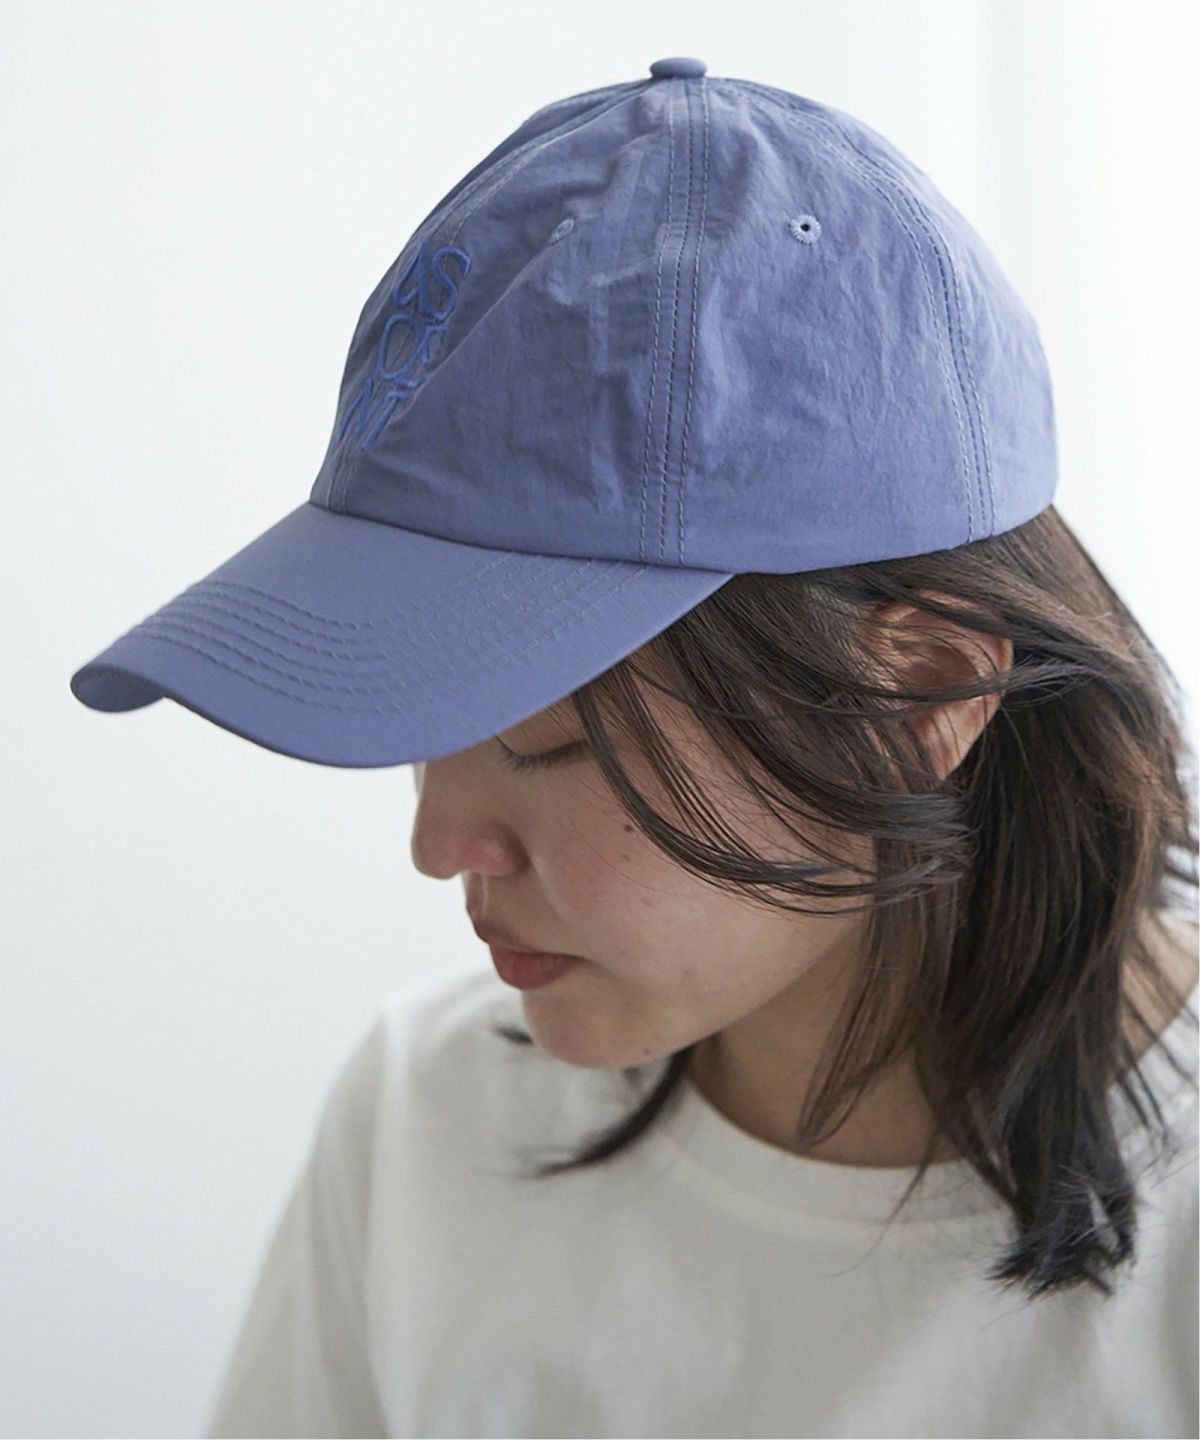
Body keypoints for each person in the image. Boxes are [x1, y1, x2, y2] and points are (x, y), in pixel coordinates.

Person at [68, 57, 1197, 1440]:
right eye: (422, 715)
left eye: (542, 736)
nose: (437, 844)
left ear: (920, 696)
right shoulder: (429, 1124)